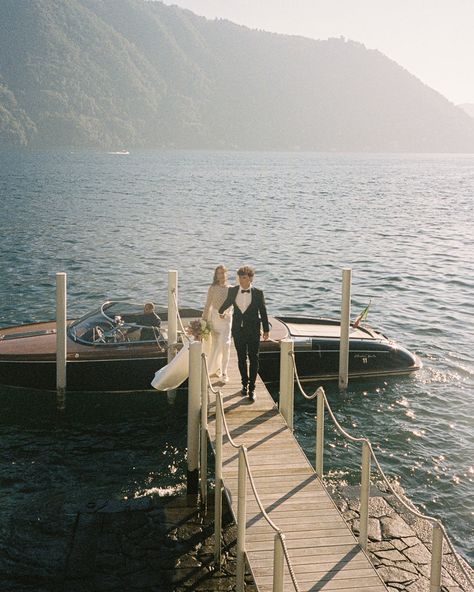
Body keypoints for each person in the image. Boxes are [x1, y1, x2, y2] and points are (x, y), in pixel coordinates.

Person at [219, 266, 269, 401]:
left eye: (244, 277)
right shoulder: (233, 290)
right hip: (238, 330)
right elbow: (227, 303)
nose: (241, 280)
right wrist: (220, 311)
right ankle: (244, 385)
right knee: (241, 358)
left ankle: (252, 388)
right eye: (240, 277)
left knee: (254, 358)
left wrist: (266, 330)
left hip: (253, 330)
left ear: (251, 278)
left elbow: (263, 312)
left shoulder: (258, 293)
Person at [202, 265, 233, 382]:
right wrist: (203, 320)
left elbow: (234, 306)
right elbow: (208, 305)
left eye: (224, 273)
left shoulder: (232, 289)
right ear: (216, 275)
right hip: (215, 318)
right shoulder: (213, 288)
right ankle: (213, 369)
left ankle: (225, 372)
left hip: (227, 319)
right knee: (216, 345)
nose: (222, 275)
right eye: (219, 273)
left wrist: (227, 313)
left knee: (226, 344)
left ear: (227, 274)